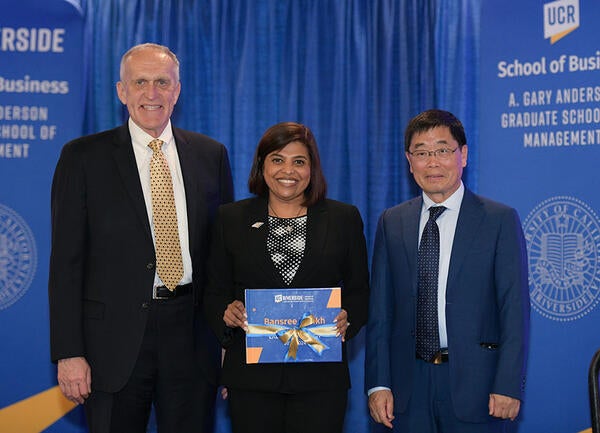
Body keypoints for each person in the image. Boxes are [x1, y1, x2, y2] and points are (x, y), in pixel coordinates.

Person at [48, 43, 233, 433]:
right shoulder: (82, 158)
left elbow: (222, 259)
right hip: (110, 346)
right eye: (141, 82)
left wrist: (226, 343)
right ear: (121, 91)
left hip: (192, 339)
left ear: (177, 91)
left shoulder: (210, 155)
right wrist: (69, 353)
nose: (152, 93)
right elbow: (66, 262)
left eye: (162, 82)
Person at [365, 109, 529, 432]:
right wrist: (378, 384)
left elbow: (514, 309)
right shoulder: (392, 222)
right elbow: (380, 312)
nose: (433, 162)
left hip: (477, 385)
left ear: (463, 155)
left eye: (443, 150)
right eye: (422, 153)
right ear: (409, 161)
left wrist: (508, 382)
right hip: (407, 387)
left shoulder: (498, 220)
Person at [203, 121, 369, 433]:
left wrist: (350, 318)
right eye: (277, 159)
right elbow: (213, 292)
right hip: (251, 380)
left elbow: (360, 291)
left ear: (312, 168)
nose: (287, 170)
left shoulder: (343, 219)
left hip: (320, 380)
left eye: (299, 161)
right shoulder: (232, 219)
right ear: (261, 166)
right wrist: (226, 312)